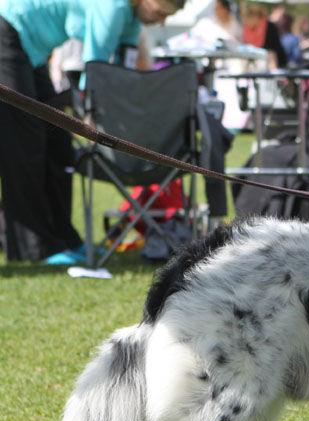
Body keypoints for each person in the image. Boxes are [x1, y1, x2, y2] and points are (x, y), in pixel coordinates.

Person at [0, 0, 184, 264]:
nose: (162, 22)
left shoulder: (131, 18)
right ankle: (34, 248)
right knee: (26, 145)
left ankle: (63, 238)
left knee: (58, 140)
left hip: (33, 51)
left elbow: (123, 65)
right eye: (161, 13)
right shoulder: (113, 7)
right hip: (9, 31)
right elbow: (95, 67)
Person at [242, 1, 287, 69]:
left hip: (272, 61)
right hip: (255, 61)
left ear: (256, 17)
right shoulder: (247, 29)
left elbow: (273, 50)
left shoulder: (269, 27)